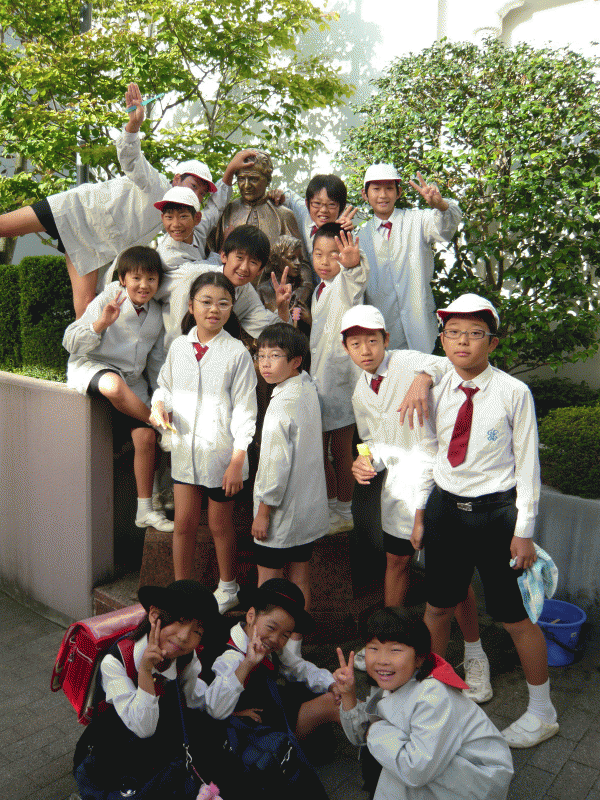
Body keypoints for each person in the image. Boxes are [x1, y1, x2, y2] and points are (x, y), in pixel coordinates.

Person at [412, 293, 559, 748]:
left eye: (475, 334)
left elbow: (528, 467)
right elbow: (428, 452)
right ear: (442, 340)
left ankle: (543, 711)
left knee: (515, 617)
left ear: (492, 343)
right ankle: (432, 697)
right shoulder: (434, 388)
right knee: (438, 606)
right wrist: (420, 513)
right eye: (454, 333)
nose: (463, 342)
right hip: (445, 511)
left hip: (497, 516)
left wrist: (524, 531)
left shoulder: (514, 393)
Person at [341, 305, 491, 696]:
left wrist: (423, 379)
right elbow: (370, 440)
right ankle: (387, 644)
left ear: (386, 340)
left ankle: (475, 654)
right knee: (396, 562)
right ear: (346, 348)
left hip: (439, 484)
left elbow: (448, 364)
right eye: (355, 343)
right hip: (398, 488)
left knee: (453, 576)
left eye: (372, 340)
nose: (365, 350)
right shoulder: (360, 391)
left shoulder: (409, 362)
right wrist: (363, 460)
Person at [0, 83, 233, 318]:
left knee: (87, 308)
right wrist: (133, 125)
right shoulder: (156, 184)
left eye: (201, 193)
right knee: (4, 226)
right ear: (176, 179)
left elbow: (212, 211)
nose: (196, 194)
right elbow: (131, 159)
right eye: (193, 186)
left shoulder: (181, 221)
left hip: (93, 246)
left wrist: (230, 173)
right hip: (76, 210)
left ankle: (83, 344)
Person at [149, 272, 257, 613]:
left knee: (219, 525)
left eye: (223, 303)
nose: (214, 309)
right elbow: (164, 386)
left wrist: (237, 461)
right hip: (185, 451)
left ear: (231, 309)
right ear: (191, 306)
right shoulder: (179, 346)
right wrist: (159, 404)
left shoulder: (236, 352)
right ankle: (181, 590)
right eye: (206, 302)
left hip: (222, 456)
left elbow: (246, 410)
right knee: (183, 524)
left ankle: (228, 588)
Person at [73, 580, 236, 799]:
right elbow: (143, 727)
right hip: (116, 746)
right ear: (154, 615)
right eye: (180, 621)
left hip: (158, 742)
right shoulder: (116, 662)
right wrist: (145, 671)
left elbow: (194, 700)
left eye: (197, 631)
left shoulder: (186, 658)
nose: (184, 636)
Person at [333, 607, 513, 800]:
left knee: (388, 760)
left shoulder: (432, 696)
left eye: (395, 650)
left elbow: (416, 770)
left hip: (477, 776)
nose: (382, 660)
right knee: (379, 754)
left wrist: (374, 731)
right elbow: (362, 736)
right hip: (438, 761)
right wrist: (348, 694)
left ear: (419, 658)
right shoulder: (389, 681)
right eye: (373, 648)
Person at [63, 245, 172, 532]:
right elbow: (70, 341)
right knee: (113, 386)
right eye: (136, 278)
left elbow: (156, 362)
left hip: (133, 381)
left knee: (146, 439)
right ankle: (161, 427)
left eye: (151, 279)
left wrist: (159, 398)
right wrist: (100, 323)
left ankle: (145, 511)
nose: (144, 285)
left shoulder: (157, 313)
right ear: (122, 279)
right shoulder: (109, 297)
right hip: (94, 366)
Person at [206, 578, 340, 768]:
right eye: (271, 627)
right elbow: (214, 707)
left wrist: (331, 682)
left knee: (333, 696)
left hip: (270, 703)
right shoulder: (230, 654)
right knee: (334, 704)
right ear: (251, 615)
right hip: (253, 726)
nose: (276, 639)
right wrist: (247, 664)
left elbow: (297, 667)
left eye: (285, 635)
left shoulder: (270, 646)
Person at [251, 324, 328, 652]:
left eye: (275, 356)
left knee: (267, 584)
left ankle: (261, 649)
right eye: (261, 356)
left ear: (296, 361)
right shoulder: (306, 388)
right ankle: (295, 649)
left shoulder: (282, 405)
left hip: (280, 512)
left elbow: (274, 465)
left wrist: (263, 512)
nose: (265, 363)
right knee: (300, 578)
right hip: (306, 509)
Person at [359, 164, 462, 354]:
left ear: (398, 193)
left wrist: (440, 205)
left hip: (421, 327)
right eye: (376, 189)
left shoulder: (417, 220)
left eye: (389, 188)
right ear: (365, 194)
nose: (383, 195)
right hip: (383, 333)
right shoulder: (360, 238)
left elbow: (446, 228)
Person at [310, 223, 368, 532]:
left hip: (342, 383)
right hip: (319, 382)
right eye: (318, 254)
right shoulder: (318, 290)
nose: (324, 261)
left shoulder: (344, 284)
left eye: (333, 255)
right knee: (319, 451)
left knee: (342, 451)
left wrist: (353, 265)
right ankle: (330, 505)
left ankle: (345, 511)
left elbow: (355, 279)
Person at [164, 224, 292, 351]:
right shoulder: (194, 277)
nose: (244, 268)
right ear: (224, 256)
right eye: (239, 257)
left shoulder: (246, 293)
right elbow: (175, 331)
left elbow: (271, 332)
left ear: (260, 270)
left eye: (253, 262)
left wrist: (282, 308)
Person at [207, 150, 306, 258]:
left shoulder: (283, 215)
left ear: (268, 180)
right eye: (241, 179)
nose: (246, 185)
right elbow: (209, 256)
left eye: (253, 179)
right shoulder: (227, 212)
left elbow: (301, 262)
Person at [270, 173, 357, 260]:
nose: (323, 210)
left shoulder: (345, 230)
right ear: (307, 203)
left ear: (341, 208)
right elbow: (289, 197)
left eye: (331, 204)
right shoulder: (304, 213)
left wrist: (341, 233)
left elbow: (357, 261)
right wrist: (278, 195)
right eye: (317, 203)